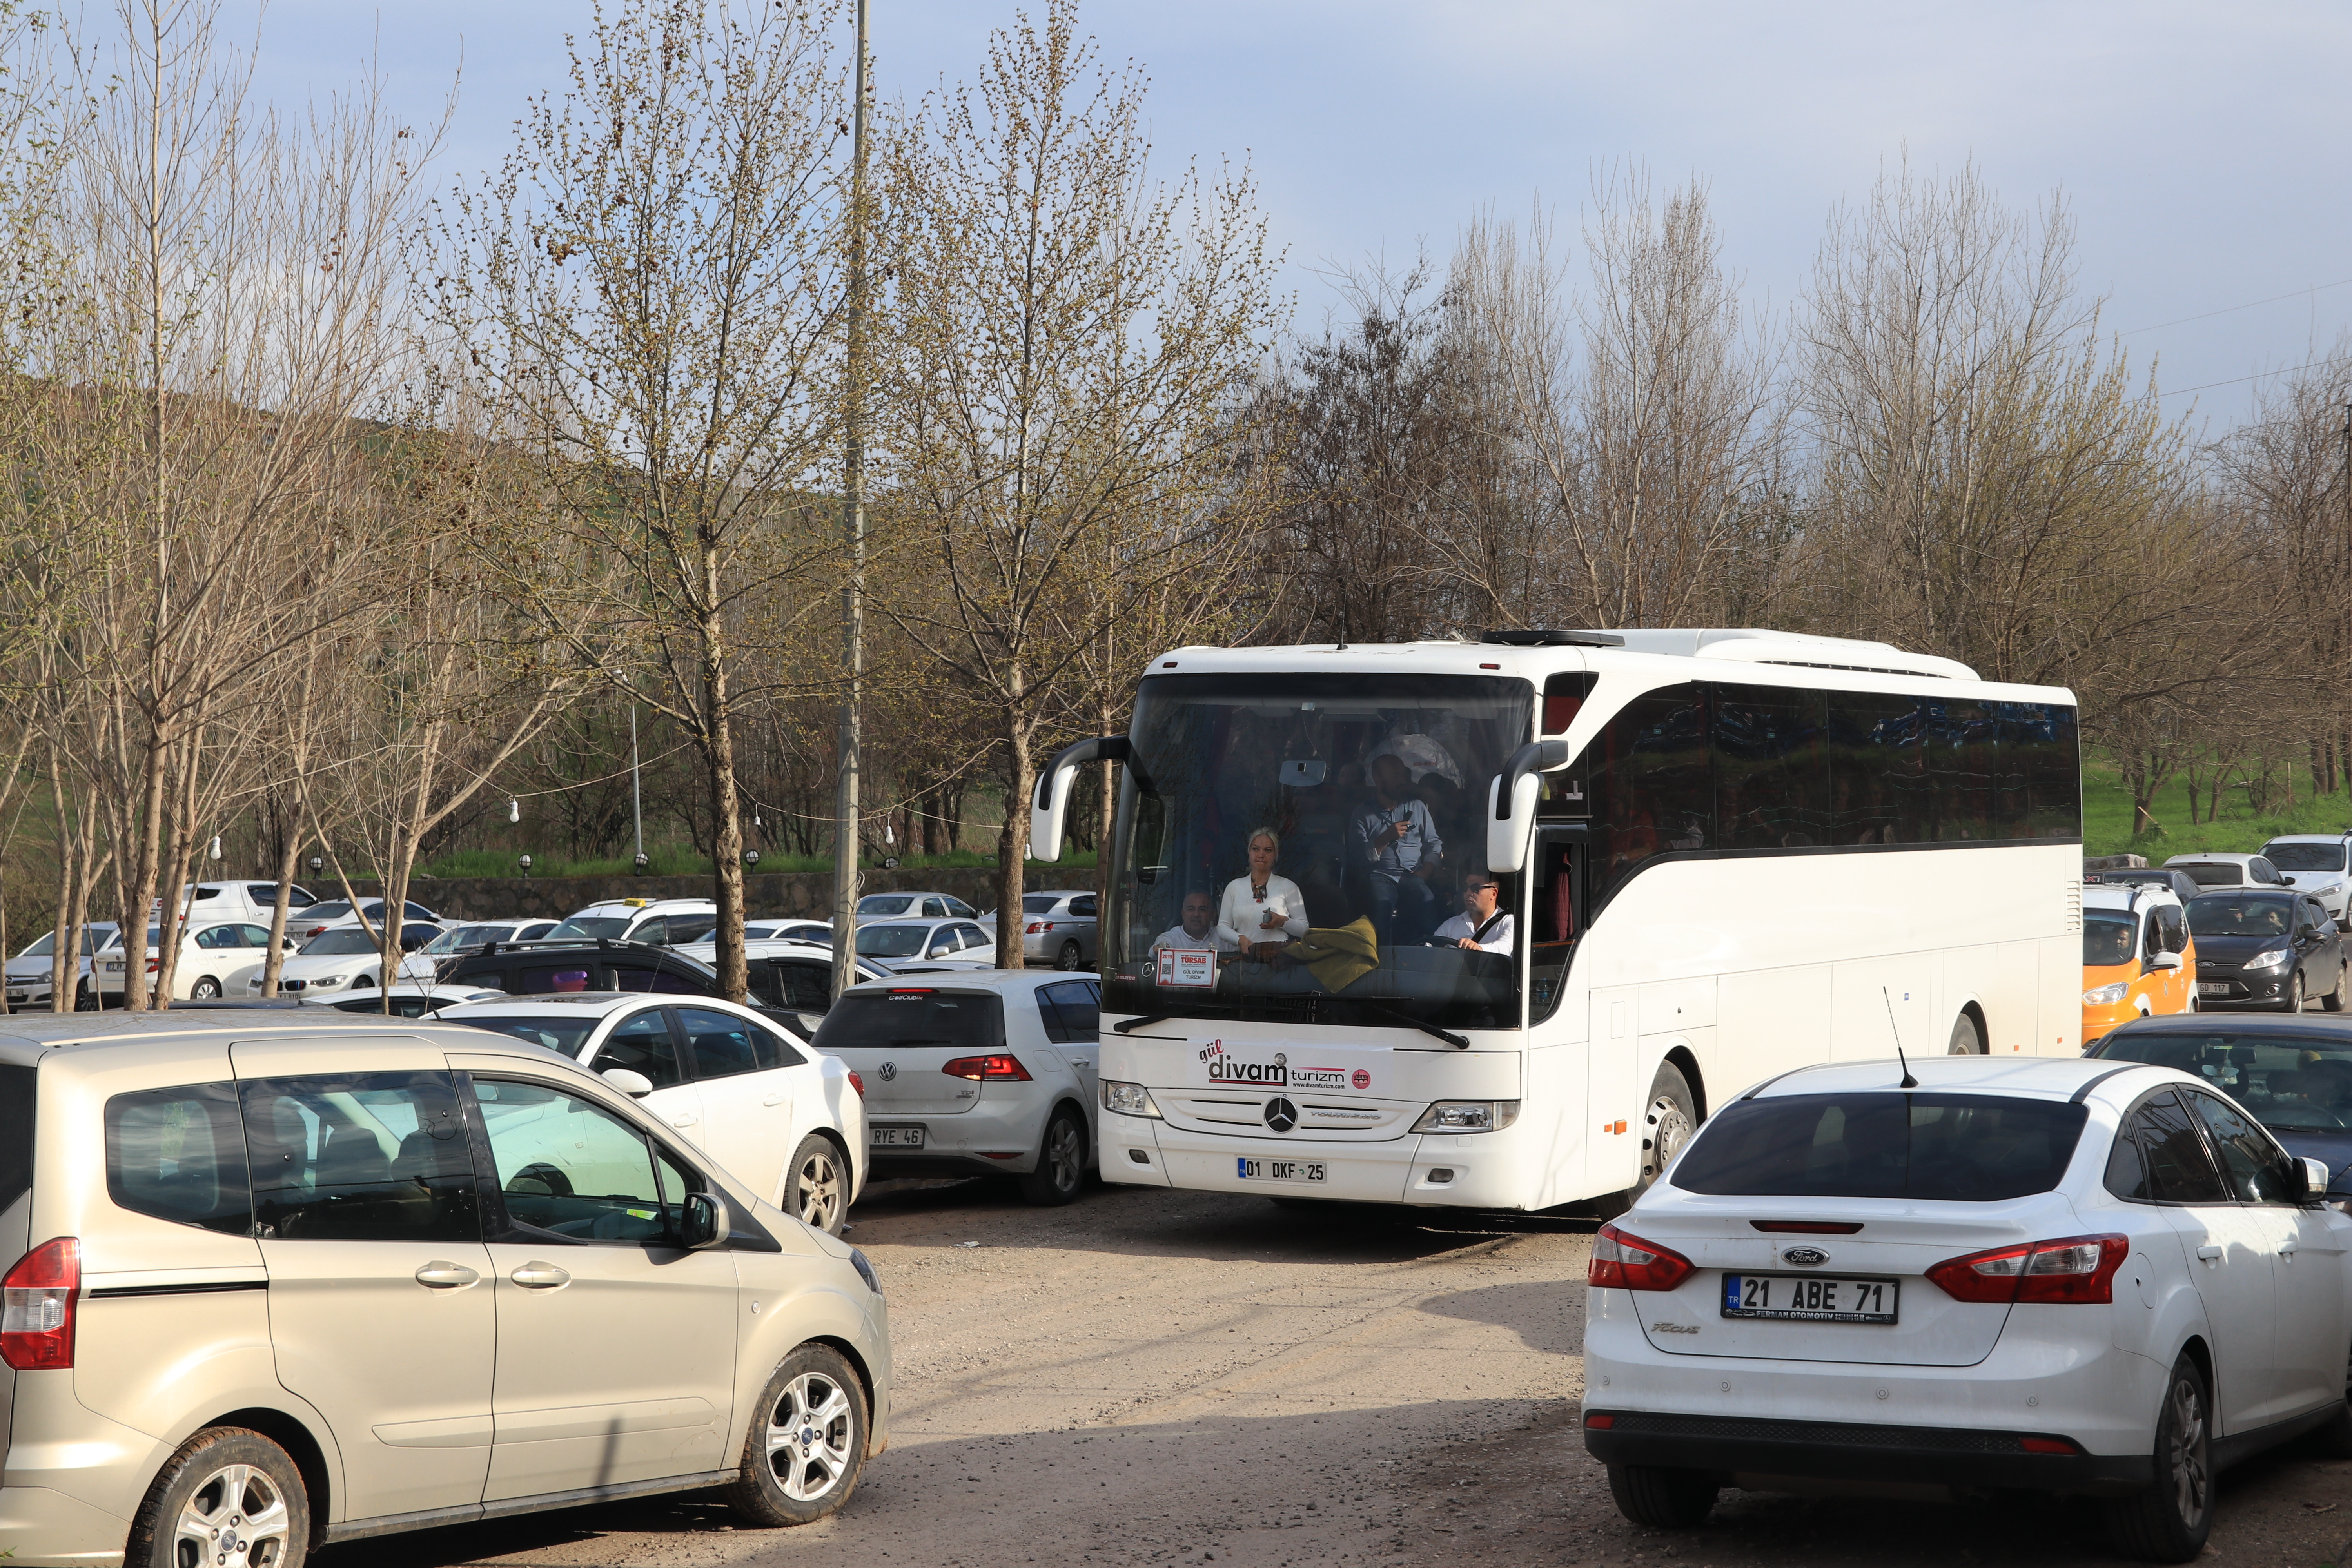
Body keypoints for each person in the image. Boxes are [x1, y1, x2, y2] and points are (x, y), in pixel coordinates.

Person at [1350, 753, 1443, 943]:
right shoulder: (1362, 813)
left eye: (1403, 775)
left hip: (1414, 874)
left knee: (1428, 904)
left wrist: (1427, 870)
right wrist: (1384, 839)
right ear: (1378, 779)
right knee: (1381, 908)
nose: (1401, 781)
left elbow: (1434, 843)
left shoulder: (1417, 807)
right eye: (1395, 776)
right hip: (1379, 876)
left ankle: (1434, 955)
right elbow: (1356, 858)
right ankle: (1382, 964)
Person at [1218, 828, 1308, 956]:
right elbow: (1222, 927)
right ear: (1249, 852)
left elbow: (1304, 930)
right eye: (1256, 849)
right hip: (1242, 962)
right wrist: (1240, 940)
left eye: (1268, 850)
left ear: (1276, 854)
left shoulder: (1289, 887)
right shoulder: (1234, 887)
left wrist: (1282, 921)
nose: (1261, 854)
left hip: (1277, 961)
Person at [1432, 871, 1514, 955]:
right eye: (1465, 887)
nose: (1469, 893)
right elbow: (1430, 950)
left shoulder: (1509, 922)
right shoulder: (1451, 925)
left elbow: (1506, 946)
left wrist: (1479, 949)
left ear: (1494, 894)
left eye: (1476, 888)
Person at [1154, 889, 1238, 958]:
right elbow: (1158, 948)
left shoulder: (1224, 938)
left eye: (1202, 910)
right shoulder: (1172, 937)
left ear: (1213, 915)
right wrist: (1161, 949)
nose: (1196, 915)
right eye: (1191, 909)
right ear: (1183, 914)